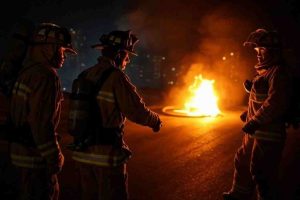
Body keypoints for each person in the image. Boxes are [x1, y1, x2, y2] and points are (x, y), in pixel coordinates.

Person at [69, 30, 162, 200]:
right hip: (106, 156)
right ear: (119, 54)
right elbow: (136, 111)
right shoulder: (116, 77)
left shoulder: (85, 74)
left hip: (82, 153)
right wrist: (155, 121)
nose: (128, 60)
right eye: (127, 55)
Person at [9, 22, 77, 200]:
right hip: (36, 161)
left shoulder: (27, 73)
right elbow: (41, 123)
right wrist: (54, 159)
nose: (63, 56)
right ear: (49, 47)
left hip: (19, 158)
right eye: (61, 50)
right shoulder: (46, 76)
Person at [223, 28, 292, 200]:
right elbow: (261, 100)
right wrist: (249, 113)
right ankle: (240, 195)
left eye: (262, 50)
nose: (258, 54)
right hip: (255, 132)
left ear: (273, 51)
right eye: (257, 51)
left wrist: (255, 121)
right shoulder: (265, 72)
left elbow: (276, 103)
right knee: (243, 161)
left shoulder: (278, 72)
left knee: (262, 171)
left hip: (268, 135)